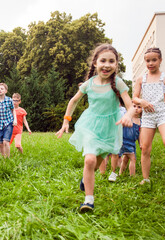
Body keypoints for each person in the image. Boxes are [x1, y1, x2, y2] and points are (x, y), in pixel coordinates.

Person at [56, 44, 134, 213]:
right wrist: (66, 121)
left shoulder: (118, 83)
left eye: (111, 61)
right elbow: (73, 101)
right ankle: (88, 200)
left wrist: (128, 115)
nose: (107, 65)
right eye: (103, 60)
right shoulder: (89, 84)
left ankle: (86, 178)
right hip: (91, 125)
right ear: (95, 63)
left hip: (110, 128)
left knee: (97, 160)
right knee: (90, 160)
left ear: (116, 64)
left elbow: (130, 104)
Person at [133, 47, 165, 184]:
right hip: (148, 117)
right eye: (148, 60)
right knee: (144, 147)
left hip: (162, 114)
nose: (150, 63)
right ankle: (146, 179)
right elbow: (134, 98)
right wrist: (142, 101)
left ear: (160, 60)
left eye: (154, 60)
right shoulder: (141, 79)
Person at [119, 103, 142, 176]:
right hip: (124, 141)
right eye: (134, 106)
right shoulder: (127, 118)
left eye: (139, 107)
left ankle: (121, 173)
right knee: (133, 159)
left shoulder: (140, 121)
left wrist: (140, 143)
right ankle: (132, 176)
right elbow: (120, 129)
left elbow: (140, 135)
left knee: (126, 158)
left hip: (132, 143)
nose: (136, 108)